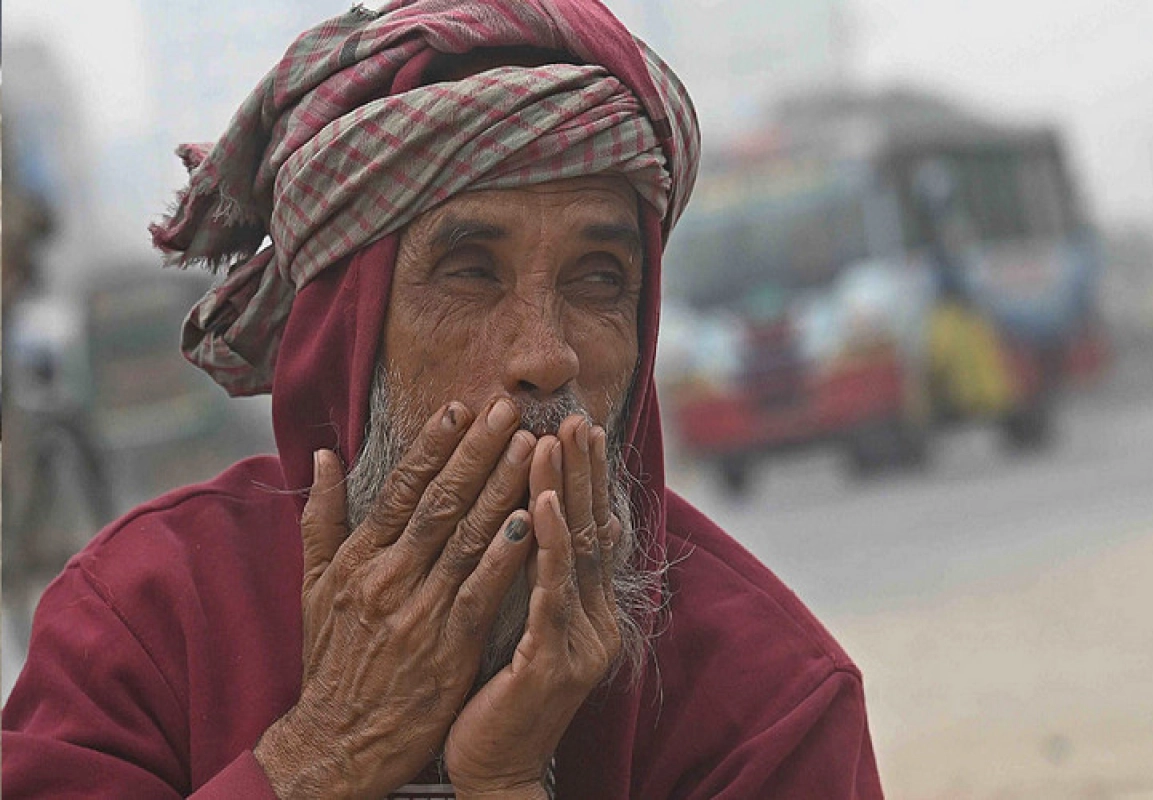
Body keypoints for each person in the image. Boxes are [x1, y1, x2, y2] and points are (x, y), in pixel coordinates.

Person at [2, 2, 885, 797]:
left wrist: (503, 786)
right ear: (350, 333)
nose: (547, 355)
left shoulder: (769, 698)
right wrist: (325, 753)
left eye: (598, 278)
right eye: (470, 273)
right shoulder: (148, 619)